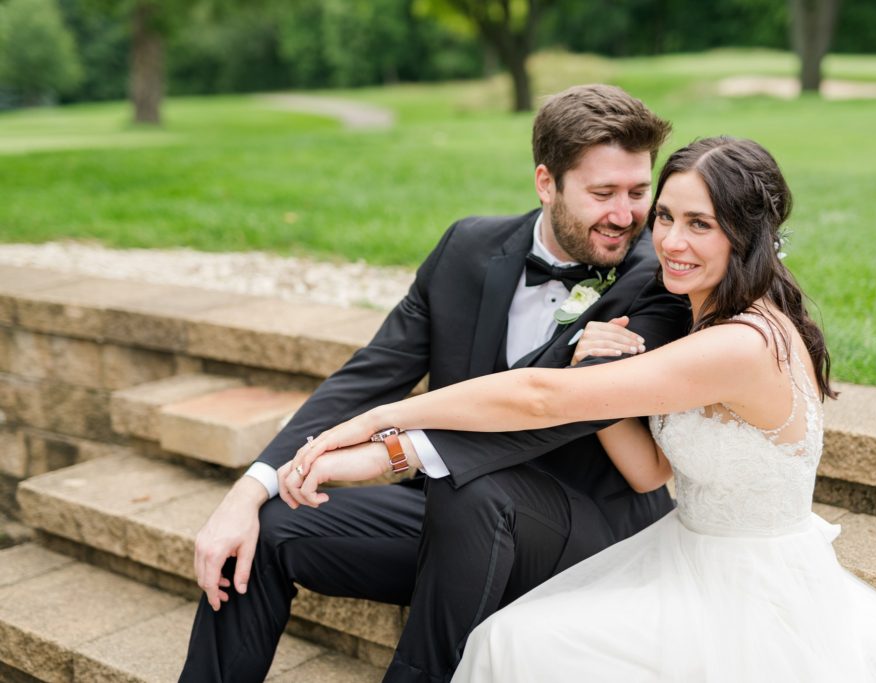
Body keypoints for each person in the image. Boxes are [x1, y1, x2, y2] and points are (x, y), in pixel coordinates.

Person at [292, 137, 876, 682]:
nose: (669, 240)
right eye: (664, 216)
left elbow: (540, 396)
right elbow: (650, 471)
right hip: (686, 550)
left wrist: (377, 421)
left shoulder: (739, 344)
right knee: (514, 638)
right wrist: (607, 378)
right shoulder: (718, 318)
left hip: (746, 586)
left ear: (747, 235)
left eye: (700, 224)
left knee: (513, 643)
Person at [179, 84, 690, 682]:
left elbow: (552, 406)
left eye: (637, 192)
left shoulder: (661, 281)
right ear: (546, 183)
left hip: (585, 532)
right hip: (451, 514)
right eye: (602, 194)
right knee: (260, 532)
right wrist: (249, 490)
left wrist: (389, 453)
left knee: (474, 493)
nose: (625, 216)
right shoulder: (465, 248)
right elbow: (372, 373)